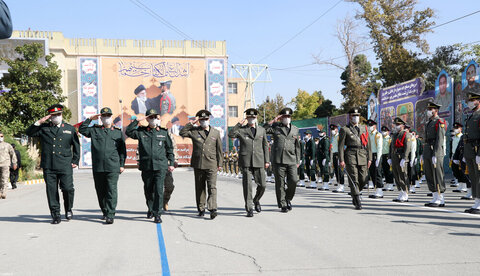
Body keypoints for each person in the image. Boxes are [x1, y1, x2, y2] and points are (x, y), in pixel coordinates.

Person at [25, 104, 80, 224]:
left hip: (65, 165)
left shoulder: (69, 129)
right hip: (49, 165)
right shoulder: (44, 128)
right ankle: (55, 215)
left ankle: (68, 208)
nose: (57, 117)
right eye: (54, 115)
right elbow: (29, 132)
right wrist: (39, 122)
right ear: (50, 117)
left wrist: (75, 160)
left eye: (59, 114)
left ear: (62, 115)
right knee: (51, 191)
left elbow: (76, 145)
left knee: (68, 188)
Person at [126, 108, 175, 223]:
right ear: (147, 119)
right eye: (151, 117)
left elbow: (169, 149)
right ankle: (150, 208)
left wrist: (171, 163)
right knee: (148, 189)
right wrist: (137, 121)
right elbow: (128, 132)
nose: (153, 119)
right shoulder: (141, 131)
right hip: (147, 166)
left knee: (158, 189)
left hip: (160, 166)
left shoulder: (163, 132)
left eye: (155, 117)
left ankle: (157, 213)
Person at [78, 107, 126, 224]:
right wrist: (90, 119)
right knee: (100, 191)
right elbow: (82, 130)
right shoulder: (95, 130)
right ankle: (105, 211)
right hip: (98, 166)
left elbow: (122, 151)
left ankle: (110, 214)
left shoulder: (117, 132)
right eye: (104, 116)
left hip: (112, 166)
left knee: (111, 190)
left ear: (111, 117)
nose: (106, 118)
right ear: (101, 118)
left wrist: (121, 164)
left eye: (108, 116)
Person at [180, 109, 223, 219]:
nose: (204, 121)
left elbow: (219, 150)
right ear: (199, 120)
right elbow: (182, 132)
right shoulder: (195, 131)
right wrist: (192, 123)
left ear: (209, 119)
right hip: (198, 163)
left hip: (212, 163)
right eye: (202, 119)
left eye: (206, 119)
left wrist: (220, 164)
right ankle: (201, 208)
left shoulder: (215, 132)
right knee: (200, 187)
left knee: (212, 187)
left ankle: (213, 208)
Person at [228, 108, 269, 217]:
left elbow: (265, 145)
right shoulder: (241, 130)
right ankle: (249, 208)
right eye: (249, 117)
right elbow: (231, 134)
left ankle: (256, 199)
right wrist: (238, 124)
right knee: (247, 186)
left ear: (256, 118)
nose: (251, 119)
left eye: (253, 117)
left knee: (263, 185)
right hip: (246, 161)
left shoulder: (261, 130)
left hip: (259, 161)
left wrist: (267, 160)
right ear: (247, 118)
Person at [264, 107, 300, 213]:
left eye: (288, 116)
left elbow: (297, 146)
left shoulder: (295, 129)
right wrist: (274, 120)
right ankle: (283, 203)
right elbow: (264, 129)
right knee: (280, 184)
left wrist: (298, 160)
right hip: (278, 160)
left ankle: (288, 198)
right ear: (281, 118)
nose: (287, 118)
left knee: (293, 181)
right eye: (284, 116)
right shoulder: (276, 128)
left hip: (292, 159)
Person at [338, 108, 372, 210]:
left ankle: (354, 193)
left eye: (357, 115)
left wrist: (370, 158)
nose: (356, 117)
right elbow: (340, 146)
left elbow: (369, 145)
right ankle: (357, 200)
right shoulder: (345, 129)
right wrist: (341, 159)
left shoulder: (364, 128)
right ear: (350, 116)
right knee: (354, 178)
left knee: (363, 179)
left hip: (362, 154)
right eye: (354, 115)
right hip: (350, 155)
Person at [423, 102, 447, 208]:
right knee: (429, 173)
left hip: (436, 151)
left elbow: (440, 139)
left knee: (437, 174)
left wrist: (436, 154)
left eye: (430, 109)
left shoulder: (439, 122)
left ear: (435, 110)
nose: (428, 111)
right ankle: (434, 196)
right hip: (428, 150)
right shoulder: (429, 122)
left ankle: (440, 198)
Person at [464, 91, 480, 214]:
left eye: (471, 101)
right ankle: (477, 200)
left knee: (479, 176)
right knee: (473, 176)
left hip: (477, 149)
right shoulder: (471, 115)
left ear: (478, 101)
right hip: (470, 150)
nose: (469, 103)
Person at [388, 118, 412, 202]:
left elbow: (407, 147)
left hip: (401, 157)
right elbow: (391, 147)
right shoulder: (394, 135)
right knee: (396, 175)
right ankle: (401, 191)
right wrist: (389, 157)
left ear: (402, 125)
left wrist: (404, 158)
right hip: (394, 157)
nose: (396, 126)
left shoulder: (406, 134)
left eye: (398, 124)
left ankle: (405, 192)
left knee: (403, 175)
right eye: (396, 124)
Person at [366, 119, 384, 198]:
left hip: (377, 155)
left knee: (378, 173)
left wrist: (378, 158)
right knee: (372, 172)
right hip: (370, 155)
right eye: (369, 125)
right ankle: (376, 189)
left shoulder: (378, 135)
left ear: (375, 126)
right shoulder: (369, 134)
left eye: (371, 125)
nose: (369, 127)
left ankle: (380, 190)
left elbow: (380, 148)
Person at [163, 131, 179, 211]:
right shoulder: (147, 131)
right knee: (154, 188)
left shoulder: (166, 133)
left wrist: (175, 160)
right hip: (153, 164)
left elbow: (173, 147)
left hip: (166, 164)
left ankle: (165, 201)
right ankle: (154, 207)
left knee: (169, 186)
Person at [0, 133, 16, 198]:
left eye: (1, 136)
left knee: (4, 178)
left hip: (5, 164)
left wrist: (14, 163)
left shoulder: (7, 145)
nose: (0, 137)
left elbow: (13, 154)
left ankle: (4, 193)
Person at [330, 124, 345, 193]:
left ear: (337, 129)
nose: (332, 131)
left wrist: (341, 157)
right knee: (336, 170)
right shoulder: (334, 137)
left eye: (333, 129)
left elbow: (342, 147)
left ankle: (342, 185)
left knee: (340, 171)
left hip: (339, 154)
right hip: (334, 154)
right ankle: (339, 184)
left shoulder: (339, 136)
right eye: (331, 130)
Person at [450, 123, 464, 191]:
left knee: (462, 171)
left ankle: (464, 186)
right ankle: (460, 185)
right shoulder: (454, 137)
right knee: (456, 171)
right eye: (454, 128)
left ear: (460, 129)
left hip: (460, 155)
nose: (455, 130)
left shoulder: (462, 137)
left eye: (457, 128)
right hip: (454, 155)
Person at [380, 126, 394, 191]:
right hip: (382, 155)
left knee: (389, 170)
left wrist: (390, 157)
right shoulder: (381, 138)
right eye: (382, 131)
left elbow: (391, 149)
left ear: (388, 132)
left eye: (385, 131)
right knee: (384, 170)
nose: (383, 132)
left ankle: (391, 184)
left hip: (388, 156)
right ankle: (387, 183)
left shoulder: (390, 139)